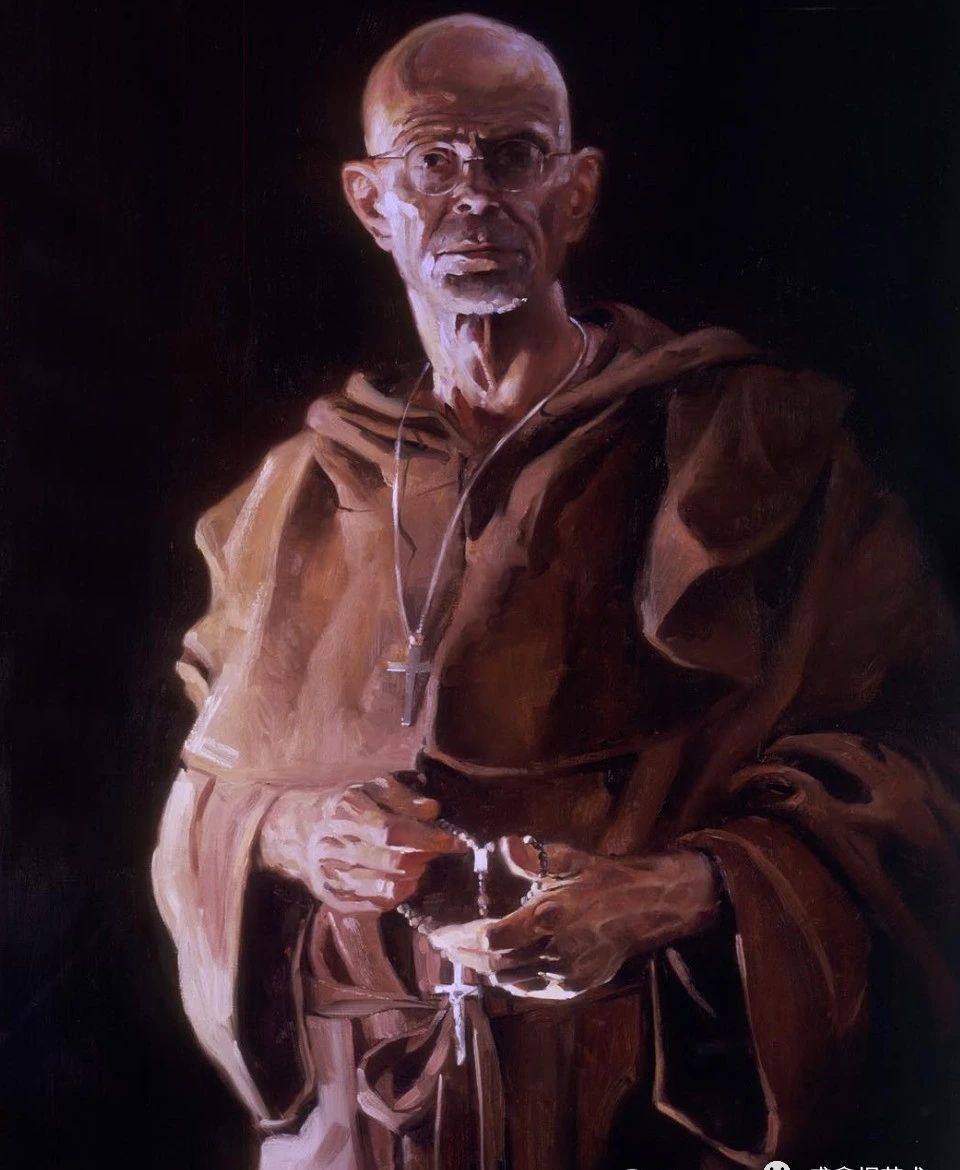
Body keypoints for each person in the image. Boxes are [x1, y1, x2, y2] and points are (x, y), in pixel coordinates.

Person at [152, 13, 960, 1170]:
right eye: (432, 161)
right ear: (372, 203)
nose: (474, 196)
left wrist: (672, 892)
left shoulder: (749, 445)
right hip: (364, 1130)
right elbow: (201, 800)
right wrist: (289, 833)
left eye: (515, 155)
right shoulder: (288, 497)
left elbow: (924, 767)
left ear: (575, 193)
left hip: (636, 1116)